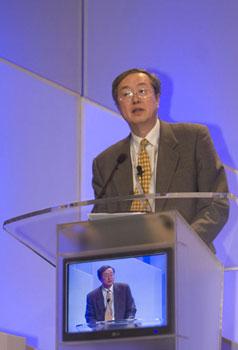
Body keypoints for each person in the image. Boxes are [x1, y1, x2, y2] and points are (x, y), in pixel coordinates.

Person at [92, 68, 229, 250]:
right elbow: (102, 223)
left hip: (187, 258)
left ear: (157, 99)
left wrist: (181, 243)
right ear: (119, 106)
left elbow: (216, 203)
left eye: (142, 91)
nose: (135, 99)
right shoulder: (106, 162)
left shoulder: (193, 138)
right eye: (126, 94)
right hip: (131, 263)